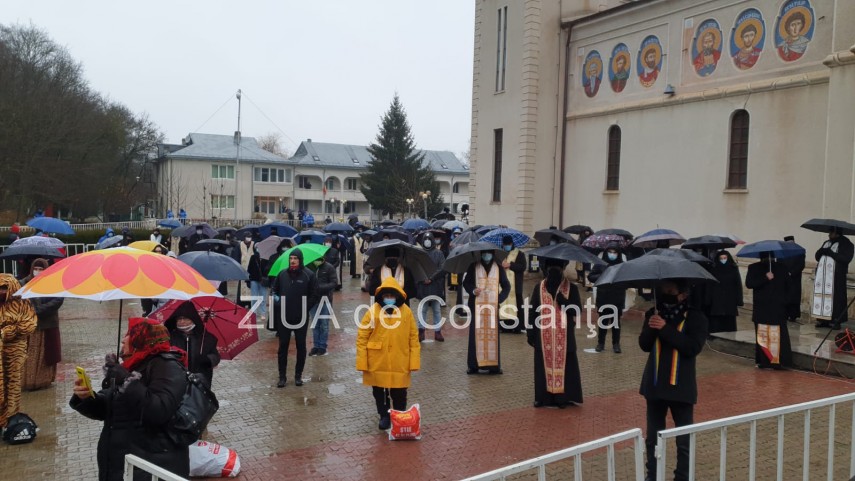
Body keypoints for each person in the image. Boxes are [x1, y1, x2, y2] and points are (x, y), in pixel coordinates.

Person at [70, 318, 190, 480]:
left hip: (149, 466)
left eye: (129, 334)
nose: (123, 339)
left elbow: (159, 411)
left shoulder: (168, 366)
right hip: (120, 463)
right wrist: (86, 397)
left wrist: (126, 380)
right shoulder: (131, 365)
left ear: (141, 339)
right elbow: (111, 410)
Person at [639, 280, 707, 481]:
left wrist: (665, 328)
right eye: (662, 290)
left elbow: (692, 347)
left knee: (683, 441)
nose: (664, 295)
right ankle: (653, 475)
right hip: (655, 386)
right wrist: (653, 327)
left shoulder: (696, 317)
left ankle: (682, 476)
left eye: (670, 291)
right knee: (653, 438)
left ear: (683, 294)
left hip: (681, 388)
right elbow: (644, 345)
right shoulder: (653, 313)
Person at [356, 277, 420, 430]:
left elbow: (413, 337)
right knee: (379, 391)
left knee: (399, 391)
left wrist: (414, 361)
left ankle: (398, 415)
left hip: (400, 359)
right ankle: (384, 415)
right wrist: (362, 361)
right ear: (381, 296)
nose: (389, 299)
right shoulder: (373, 312)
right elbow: (362, 336)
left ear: (397, 296)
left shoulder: (406, 313)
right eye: (386, 296)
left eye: (392, 296)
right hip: (378, 359)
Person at [526, 258, 583, 408]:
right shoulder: (539, 287)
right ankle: (542, 397)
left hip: (564, 338)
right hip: (543, 336)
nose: (554, 271)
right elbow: (533, 311)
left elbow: (577, 310)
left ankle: (562, 398)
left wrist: (564, 301)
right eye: (550, 267)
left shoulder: (572, 288)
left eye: (557, 268)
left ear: (563, 268)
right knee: (541, 367)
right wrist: (530, 331)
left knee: (566, 367)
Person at [270, 249, 319, 387]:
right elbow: (274, 290)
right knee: (283, 347)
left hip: (301, 318)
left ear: (300, 260)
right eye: (291, 258)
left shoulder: (308, 275)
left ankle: (298, 376)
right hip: (284, 317)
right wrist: (277, 301)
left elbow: (314, 295)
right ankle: (282, 377)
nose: (292, 261)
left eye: (295, 258)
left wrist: (303, 309)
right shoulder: (282, 274)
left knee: (301, 347)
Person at [463, 250, 510, 374]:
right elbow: (466, 283)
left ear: (493, 254)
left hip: (492, 308)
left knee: (492, 336)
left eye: (489, 253)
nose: (486, 255)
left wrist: (499, 298)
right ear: (481, 253)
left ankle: (494, 366)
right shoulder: (473, 266)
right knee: (475, 336)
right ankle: (473, 366)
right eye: (484, 253)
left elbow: (506, 286)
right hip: (477, 306)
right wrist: (473, 290)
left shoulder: (498, 267)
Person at [0, 274, 37, 429]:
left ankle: (11, 417)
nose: (2, 291)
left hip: (15, 349)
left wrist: (10, 331)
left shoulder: (22, 303)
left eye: (4, 288)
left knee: (13, 384)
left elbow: (30, 324)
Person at [21, 259, 63, 391]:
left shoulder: (53, 284)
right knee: (30, 354)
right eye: (36, 268)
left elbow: (57, 300)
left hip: (48, 324)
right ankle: (27, 381)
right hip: (30, 326)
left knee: (47, 354)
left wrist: (39, 310)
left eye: (41, 269)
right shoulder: (23, 283)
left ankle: (43, 380)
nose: (38, 271)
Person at [745, 253, 791, 369]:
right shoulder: (753, 267)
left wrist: (785, 302)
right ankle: (764, 361)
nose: (768, 259)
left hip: (777, 307)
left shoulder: (782, 268)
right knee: (763, 335)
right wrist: (765, 278)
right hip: (762, 308)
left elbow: (788, 286)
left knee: (778, 336)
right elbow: (749, 284)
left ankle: (780, 362)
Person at [163, 302, 220, 387]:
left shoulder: (205, 337)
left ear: (193, 319)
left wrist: (208, 360)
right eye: (179, 319)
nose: (182, 321)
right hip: (177, 380)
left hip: (200, 380)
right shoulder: (170, 337)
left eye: (186, 319)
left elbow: (215, 355)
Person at [587, 244, 626, 353]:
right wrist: (603, 275)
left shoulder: (622, 265)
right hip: (603, 297)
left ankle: (616, 344)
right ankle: (601, 343)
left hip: (617, 298)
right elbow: (590, 276)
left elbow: (627, 280)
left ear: (618, 254)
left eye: (615, 252)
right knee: (603, 322)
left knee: (616, 323)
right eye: (610, 252)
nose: (612, 254)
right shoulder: (600, 264)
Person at [813, 228, 854, 329]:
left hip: (836, 277)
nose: (828, 234)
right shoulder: (826, 243)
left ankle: (836, 320)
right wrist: (822, 251)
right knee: (822, 297)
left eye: (831, 232)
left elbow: (845, 259)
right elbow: (817, 257)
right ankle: (822, 320)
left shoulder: (847, 244)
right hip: (823, 278)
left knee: (836, 299)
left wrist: (831, 253)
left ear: (837, 233)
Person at [416, 233, 446, 342]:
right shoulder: (419, 253)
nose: (427, 241)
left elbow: (443, 268)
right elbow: (416, 267)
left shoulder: (439, 253)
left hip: (435, 286)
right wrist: (423, 278)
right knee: (422, 310)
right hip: (422, 286)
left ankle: (438, 332)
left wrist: (431, 278)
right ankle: (421, 332)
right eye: (425, 239)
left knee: (437, 310)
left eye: (429, 239)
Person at [705, 250, 743, 334]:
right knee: (716, 322)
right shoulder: (714, 269)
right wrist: (708, 299)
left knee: (729, 323)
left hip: (730, 299)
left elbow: (738, 285)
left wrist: (739, 300)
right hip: (717, 300)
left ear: (728, 258)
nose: (723, 260)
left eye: (725, 258)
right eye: (721, 258)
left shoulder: (733, 269)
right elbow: (709, 286)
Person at [307, 255, 336, 356]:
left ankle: (322, 346)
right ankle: (316, 346)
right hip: (313, 301)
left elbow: (334, 283)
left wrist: (320, 287)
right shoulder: (309, 267)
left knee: (324, 325)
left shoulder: (329, 267)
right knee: (315, 325)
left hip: (325, 300)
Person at [498, 235, 526, 333]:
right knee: (502, 304)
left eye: (509, 244)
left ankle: (518, 327)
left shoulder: (519, 254)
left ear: (512, 243)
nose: (507, 246)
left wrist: (510, 265)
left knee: (517, 306)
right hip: (502, 286)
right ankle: (504, 327)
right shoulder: (499, 254)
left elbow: (523, 267)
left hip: (516, 285)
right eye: (505, 245)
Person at [241, 233, 267, 321]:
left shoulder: (265, 258)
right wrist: (248, 280)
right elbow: (249, 269)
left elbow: (267, 269)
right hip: (254, 280)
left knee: (263, 297)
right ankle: (254, 313)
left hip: (263, 280)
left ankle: (263, 313)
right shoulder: (253, 257)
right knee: (254, 297)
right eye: (257, 247)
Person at [781, 236, 805, 322]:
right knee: (784, 297)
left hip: (795, 279)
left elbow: (801, 265)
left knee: (794, 297)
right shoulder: (782, 252)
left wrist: (792, 272)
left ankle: (793, 315)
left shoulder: (800, 251)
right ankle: (784, 314)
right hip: (784, 278)